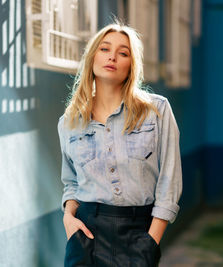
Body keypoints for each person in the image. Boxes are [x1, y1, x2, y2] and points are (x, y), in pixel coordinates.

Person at [57, 22, 182, 267]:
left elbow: (169, 181)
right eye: (104, 49)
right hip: (86, 236)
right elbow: (71, 181)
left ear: (131, 66)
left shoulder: (157, 111)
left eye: (123, 52)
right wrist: (69, 219)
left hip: (139, 235)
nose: (112, 56)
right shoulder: (69, 121)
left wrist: (150, 242)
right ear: (92, 57)